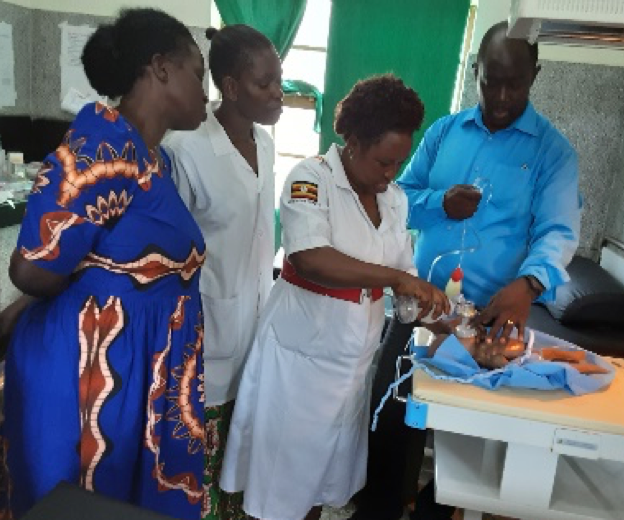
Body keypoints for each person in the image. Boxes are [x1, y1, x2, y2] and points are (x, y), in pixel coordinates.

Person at [351, 21, 581, 520]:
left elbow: (559, 231)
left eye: (514, 83)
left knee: (479, 441)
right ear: (475, 71)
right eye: (490, 79)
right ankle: (384, 508)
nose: (500, 95)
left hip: (493, 319)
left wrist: (529, 284)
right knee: (392, 420)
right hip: (422, 306)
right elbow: (397, 198)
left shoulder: (552, 153)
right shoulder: (443, 133)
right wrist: (440, 203)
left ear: (534, 76)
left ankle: (437, 512)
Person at [0, 8, 209, 519]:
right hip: (91, 373)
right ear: (160, 67)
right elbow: (32, 268)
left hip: (134, 369)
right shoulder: (106, 146)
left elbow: (93, 255)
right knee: (84, 503)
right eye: (198, 75)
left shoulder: (148, 156)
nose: (206, 93)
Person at [219, 74, 450, 520]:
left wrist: (434, 313)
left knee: (319, 488)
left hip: (351, 369)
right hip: (299, 365)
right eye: (384, 162)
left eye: (398, 164)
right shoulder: (312, 179)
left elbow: (404, 277)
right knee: (280, 488)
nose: (390, 175)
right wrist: (396, 281)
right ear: (355, 142)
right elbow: (309, 257)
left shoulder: (395, 201)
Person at [164, 24, 283, 520]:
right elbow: (169, 257)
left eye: (280, 80)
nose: (279, 94)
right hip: (205, 336)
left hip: (257, 331)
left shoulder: (267, 143)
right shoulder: (184, 150)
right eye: (265, 84)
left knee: (242, 465)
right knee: (202, 472)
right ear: (230, 87)